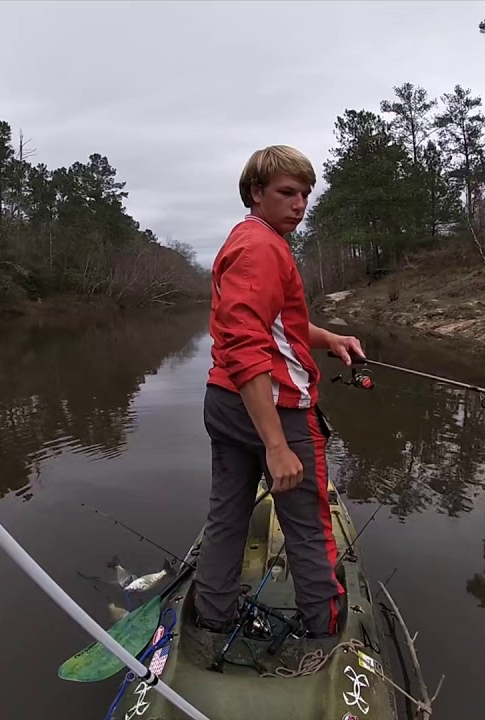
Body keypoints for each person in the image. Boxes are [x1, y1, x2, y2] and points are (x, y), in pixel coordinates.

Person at [193, 145, 364, 638]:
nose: (300, 203)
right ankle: (323, 633)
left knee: (227, 516)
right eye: (288, 192)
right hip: (275, 408)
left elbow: (275, 323)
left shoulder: (248, 241)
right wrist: (276, 445)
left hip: (224, 402)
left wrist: (328, 338)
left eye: (306, 194)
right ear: (256, 193)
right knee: (309, 527)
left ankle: (214, 616)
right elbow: (247, 344)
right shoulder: (263, 248)